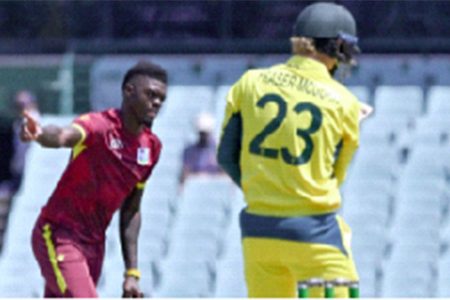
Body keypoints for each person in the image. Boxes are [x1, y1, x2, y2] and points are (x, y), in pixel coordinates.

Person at [217, 2, 373, 298]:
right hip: (315, 237)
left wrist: (265, 190)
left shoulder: (250, 83)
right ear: (338, 45)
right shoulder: (344, 103)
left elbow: (226, 155)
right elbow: (333, 177)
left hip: (258, 234)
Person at [20, 61, 168, 297]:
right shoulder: (99, 126)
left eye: (161, 98)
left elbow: (131, 210)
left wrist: (132, 273)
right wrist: (39, 134)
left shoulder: (151, 149)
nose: (157, 102)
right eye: (151, 94)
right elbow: (63, 136)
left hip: (94, 246)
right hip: (59, 234)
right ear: (129, 91)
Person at [179, 112, 223, 187]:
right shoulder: (189, 151)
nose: (204, 136)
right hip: (195, 187)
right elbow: (185, 172)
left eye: (206, 133)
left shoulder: (219, 150)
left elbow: (225, 173)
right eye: (201, 133)